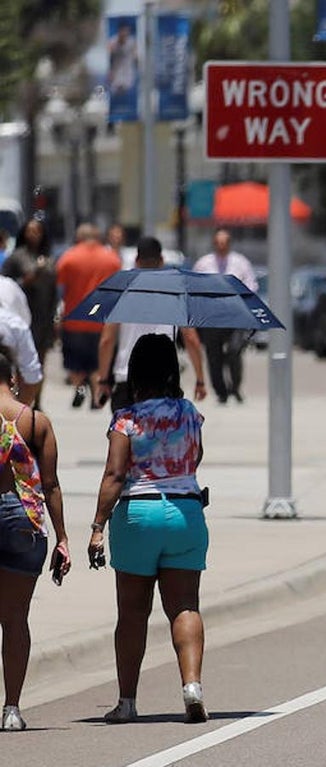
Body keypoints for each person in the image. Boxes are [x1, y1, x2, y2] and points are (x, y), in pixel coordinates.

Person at [87, 334, 210, 725]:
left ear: (136, 373)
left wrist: (97, 527)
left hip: (139, 514)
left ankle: (127, 701)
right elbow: (196, 457)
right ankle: (191, 686)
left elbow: (115, 474)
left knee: (133, 612)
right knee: (185, 605)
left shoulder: (127, 417)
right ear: (173, 371)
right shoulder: (190, 412)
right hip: (186, 513)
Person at [0, 347, 68, 731]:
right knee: (14, 618)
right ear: (13, 380)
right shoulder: (34, 421)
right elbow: (52, 484)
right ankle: (11, 709)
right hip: (21, 518)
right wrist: (62, 538)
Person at [95, 237, 208, 411]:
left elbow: (107, 340)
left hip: (127, 379)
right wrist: (200, 380)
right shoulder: (174, 293)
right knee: (162, 437)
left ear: (136, 261)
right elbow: (191, 338)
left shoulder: (123, 291)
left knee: (124, 435)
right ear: (162, 260)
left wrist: (103, 379)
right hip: (165, 380)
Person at [55, 223, 121, 409]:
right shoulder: (112, 259)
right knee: (96, 362)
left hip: (74, 319)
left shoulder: (68, 258)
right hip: (102, 319)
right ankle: (95, 395)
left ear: (78, 238)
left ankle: (79, 387)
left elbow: (60, 288)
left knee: (75, 362)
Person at [192, 229, 258, 404]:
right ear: (214, 244)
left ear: (229, 244)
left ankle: (235, 386)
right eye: (218, 242)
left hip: (236, 315)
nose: (221, 246)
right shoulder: (204, 263)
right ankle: (221, 391)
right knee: (214, 356)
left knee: (235, 351)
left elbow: (251, 285)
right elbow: (194, 286)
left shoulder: (240, 262)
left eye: (225, 242)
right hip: (212, 317)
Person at [3, 219, 56, 376]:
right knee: (21, 360)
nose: (33, 235)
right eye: (30, 231)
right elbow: (6, 284)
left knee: (40, 361)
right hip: (22, 316)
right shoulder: (16, 257)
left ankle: (37, 399)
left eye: (37, 231)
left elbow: (53, 289)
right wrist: (30, 277)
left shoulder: (48, 258)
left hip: (44, 316)